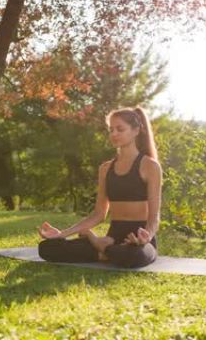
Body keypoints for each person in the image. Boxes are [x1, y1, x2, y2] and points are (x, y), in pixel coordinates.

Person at [37, 106, 163, 268]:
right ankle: (106, 249)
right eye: (111, 130)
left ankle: (99, 246)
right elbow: (98, 214)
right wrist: (62, 234)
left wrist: (146, 237)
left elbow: (154, 217)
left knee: (134, 255)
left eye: (120, 129)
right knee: (48, 248)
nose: (114, 134)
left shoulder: (150, 166)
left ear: (136, 130)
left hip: (138, 240)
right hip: (112, 237)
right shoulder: (105, 169)